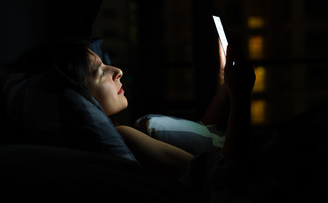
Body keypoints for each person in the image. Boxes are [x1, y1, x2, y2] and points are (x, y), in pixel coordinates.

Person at [51, 38, 256, 180]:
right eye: (100, 72)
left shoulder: (127, 134)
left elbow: (203, 137)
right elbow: (222, 176)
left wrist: (223, 91)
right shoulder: (124, 136)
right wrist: (240, 96)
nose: (117, 71)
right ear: (81, 97)